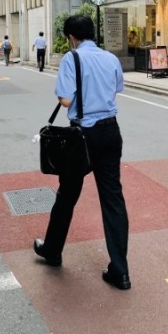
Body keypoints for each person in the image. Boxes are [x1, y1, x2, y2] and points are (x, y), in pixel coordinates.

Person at [34, 15, 131, 290]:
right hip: (111, 131)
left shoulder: (71, 58)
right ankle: (120, 271)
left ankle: (52, 250)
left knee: (68, 193)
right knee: (113, 198)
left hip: (82, 136)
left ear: (71, 38)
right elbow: (117, 89)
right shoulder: (110, 58)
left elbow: (66, 100)